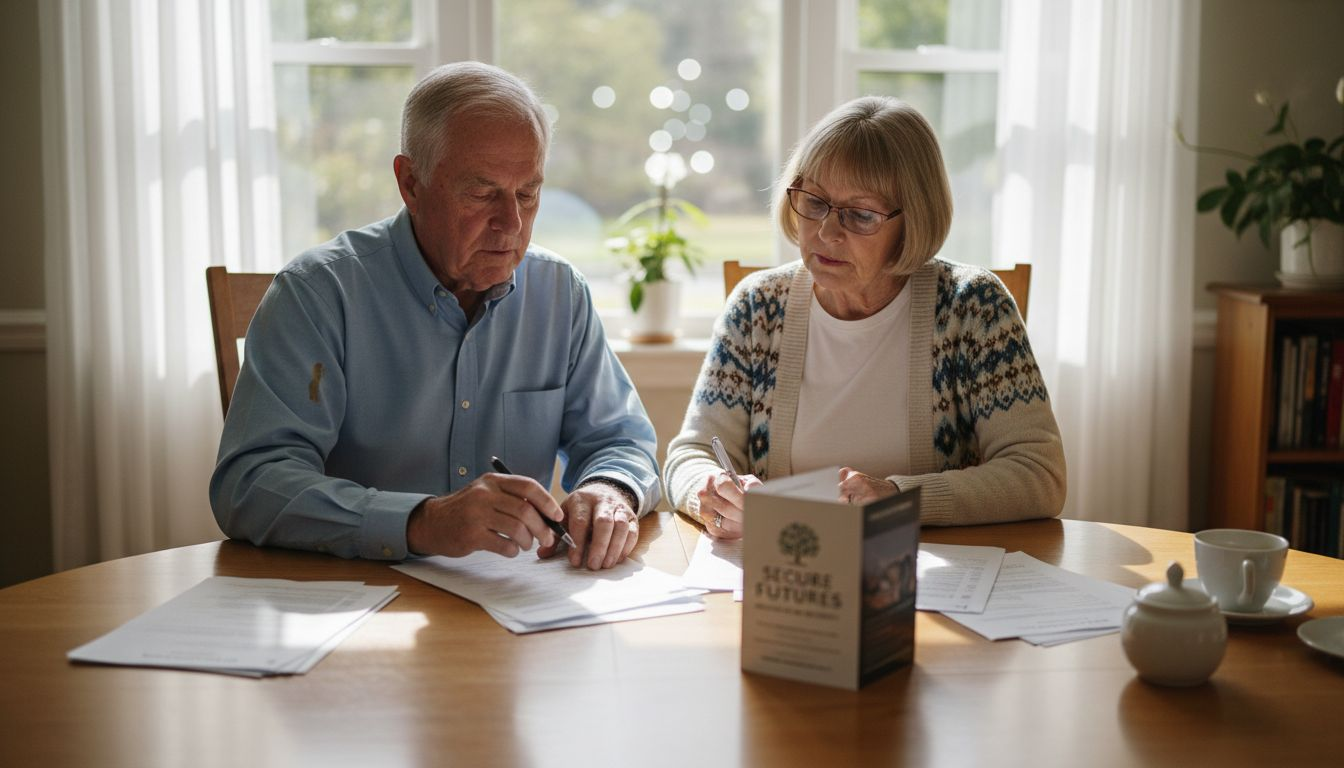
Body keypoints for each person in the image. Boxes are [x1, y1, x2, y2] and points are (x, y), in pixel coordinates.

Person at [210, 62, 659, 570]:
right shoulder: (318, 293)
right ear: (411, 184)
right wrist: (420, 521)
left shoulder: (559, 294)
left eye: (527, 194)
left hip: (515, 608)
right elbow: (250, 484)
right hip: (352, 604)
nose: (510, 223)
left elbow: (619, 439)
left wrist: (610, 488)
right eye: (481, 192)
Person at [663, 96, 1066, 538]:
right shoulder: (757, 308)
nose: (826, 232)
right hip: (789, 576)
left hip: (933, 581)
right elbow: (691, 455)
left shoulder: (973, 308)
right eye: (813, 202)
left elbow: (1038, 475)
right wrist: (714, 493)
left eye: (860, 215)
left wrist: (899, 498)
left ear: (913, 220)